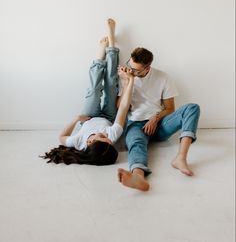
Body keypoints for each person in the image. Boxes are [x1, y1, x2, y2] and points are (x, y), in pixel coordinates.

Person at [41, 19, 134, 166]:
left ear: (90, 142)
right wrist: (129, 83)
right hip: (109, 116)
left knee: (94, 90)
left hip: (88, 117)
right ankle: (111, 46)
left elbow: (62, 137)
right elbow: (122, 108)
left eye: (103, 137)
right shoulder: (112, 136)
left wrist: (77, 119)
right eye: (110, 141)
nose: (109, 138)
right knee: (111, 86)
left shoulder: (78, 142)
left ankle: (99, 57)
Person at [117, 47, 200, 191]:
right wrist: (127, 83)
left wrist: (155, 118)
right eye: (130, 65)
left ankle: (180, 158)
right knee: (136, 143)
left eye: (136, 70)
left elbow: (170, 108)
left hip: (159, 124)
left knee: (192, 107)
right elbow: (120, 106)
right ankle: (138, 176)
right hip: (136, 124)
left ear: (147, 68)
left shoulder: (163, 78)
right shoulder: (126, 76)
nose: (131, 70)